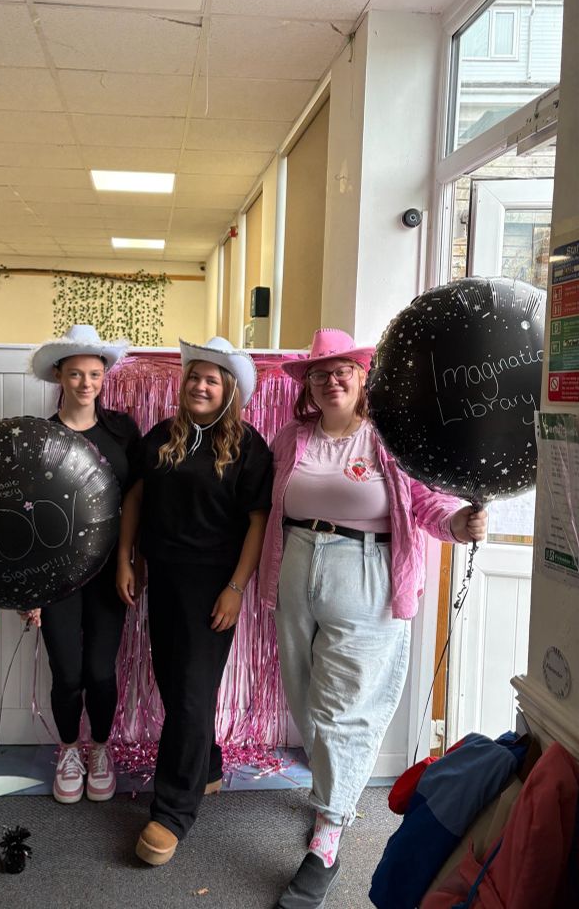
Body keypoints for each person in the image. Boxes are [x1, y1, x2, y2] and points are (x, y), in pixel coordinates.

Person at [258, 328, 488, 909]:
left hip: (366, 572)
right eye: (319, 373)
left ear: (363, 377)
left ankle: (328, 835)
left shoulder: (389, 436)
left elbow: (426, 502)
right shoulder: (291, 437)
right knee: (306, 699)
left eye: (343, 371)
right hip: (296, 566)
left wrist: (457, 523)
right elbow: (266, 503)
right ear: (308, 385)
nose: (331, 381)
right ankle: (330, 795)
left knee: (343, 708)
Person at [116, 337, 273, 866]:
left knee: (189, 694)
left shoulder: (249, 446)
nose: (200, 386)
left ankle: (172, 812)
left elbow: (257, 523)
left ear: (228, 390)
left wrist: (236, 588)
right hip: (163, 579)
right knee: (176, 686)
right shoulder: (162, 436)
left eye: (211, 380)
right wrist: (126, 558)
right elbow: (135, 498)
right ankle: (206, 765)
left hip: (213, 587)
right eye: (194, 377)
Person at [24, 324, 140, 804]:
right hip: (56, 577)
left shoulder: (122, 431)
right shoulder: (41, 436)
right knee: (67, 672)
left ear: (104, 376)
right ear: (60, 376)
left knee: (100, 671)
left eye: (94, 374)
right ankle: (69, 750)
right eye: (76, 374)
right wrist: (29, 590)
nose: (86, 383)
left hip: (110, 570)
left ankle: (100, 749)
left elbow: (136, 499)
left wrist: (128, 561)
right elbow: (27, 516)